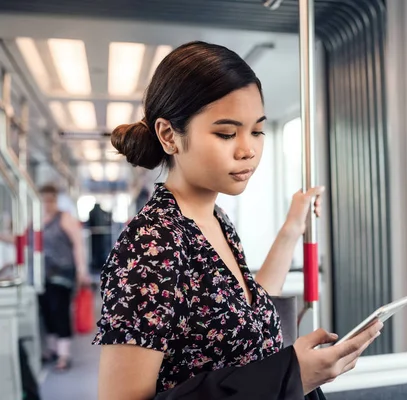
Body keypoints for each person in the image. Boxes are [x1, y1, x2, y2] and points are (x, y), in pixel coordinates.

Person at [93, 41, 382, 400]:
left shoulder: (215, 219)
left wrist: (294, 226)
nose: (248, 149)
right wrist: (292, 377)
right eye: (227, 133)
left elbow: (244, 309)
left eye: (257, 131)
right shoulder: (153, 244)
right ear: (169, 135)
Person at [38, 183, 92, 371]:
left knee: (59, 311)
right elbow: (24, 241)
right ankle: (52, 350)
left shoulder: (65, 219)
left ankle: (64, 355)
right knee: (47, 312)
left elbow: (78, 245)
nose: (47, 204)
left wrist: (81, 271)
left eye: (50, 200)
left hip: (62, 274)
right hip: (41, 274)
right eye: (44, 200)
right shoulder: (38, 221)